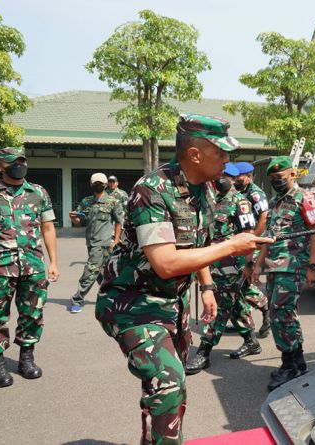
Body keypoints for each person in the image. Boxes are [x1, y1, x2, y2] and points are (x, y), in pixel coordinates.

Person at [95, 114, 272, 445]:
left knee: (165, 393)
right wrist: (231, 246)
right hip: (131, 303)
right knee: (169, 383)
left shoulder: (203, 188)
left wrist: (206, 287)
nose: (227, 161)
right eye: (221, 153)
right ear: (194, 154)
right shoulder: (152, 191)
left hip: (170, 304)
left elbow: (197, 242)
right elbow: (166, 263)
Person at [251, 155, 315, 391]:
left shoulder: (305, 198)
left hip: (293, 266)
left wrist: (313, 267)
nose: (276, 181)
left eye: (280, 177)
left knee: (282, 313)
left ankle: (290, 366)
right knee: (280, 314)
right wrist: (257, 265)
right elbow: (268, 237)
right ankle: (297, 362)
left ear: (292, 174)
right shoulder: (274, 203)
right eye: (272, 178)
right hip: (274, 266)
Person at [0, 146, 59, 388]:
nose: (19, 165)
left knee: (32, 313)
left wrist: (53, 262)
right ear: (0, 165)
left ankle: (26, 360)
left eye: (22, 161)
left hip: (32, 265)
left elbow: (48, 228)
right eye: (13, 162)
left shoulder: (38, 192)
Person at [185, 163, 261, 375]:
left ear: (234, 178)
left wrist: (249, 264)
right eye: (220, 175)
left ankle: (204, 352)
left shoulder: (240, 202)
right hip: (212, 263)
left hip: (231, 265)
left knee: (219, 308)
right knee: (234, 304)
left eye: (226, 176)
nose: (221, 179)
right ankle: (251, 341)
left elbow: (249, 234)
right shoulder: (211, 199)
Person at [68, 172, 123, 314]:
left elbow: (119, 222)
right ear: (92, 185)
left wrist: (116, 240)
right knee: (103, 274)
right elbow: (80, 222)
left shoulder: (112, 201)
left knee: (91, 271)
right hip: (91, 243)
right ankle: (110, 299)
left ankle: (77, 299)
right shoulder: (86, 202)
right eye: (96, 183)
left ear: (105, 185)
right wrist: (73, 218)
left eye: (101, 183)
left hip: (105, 243)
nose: (98, 185)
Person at [235, 161, 271, 338]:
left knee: (243, 281)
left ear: (248, 177)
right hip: (240, 242)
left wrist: (252, 239)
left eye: (238, 177)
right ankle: (244, 320)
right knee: (242, 282)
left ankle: (266, 309)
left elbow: (264, 217)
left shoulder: (255, 193)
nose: (235, 179)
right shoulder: (241, 191)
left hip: (251, 243)